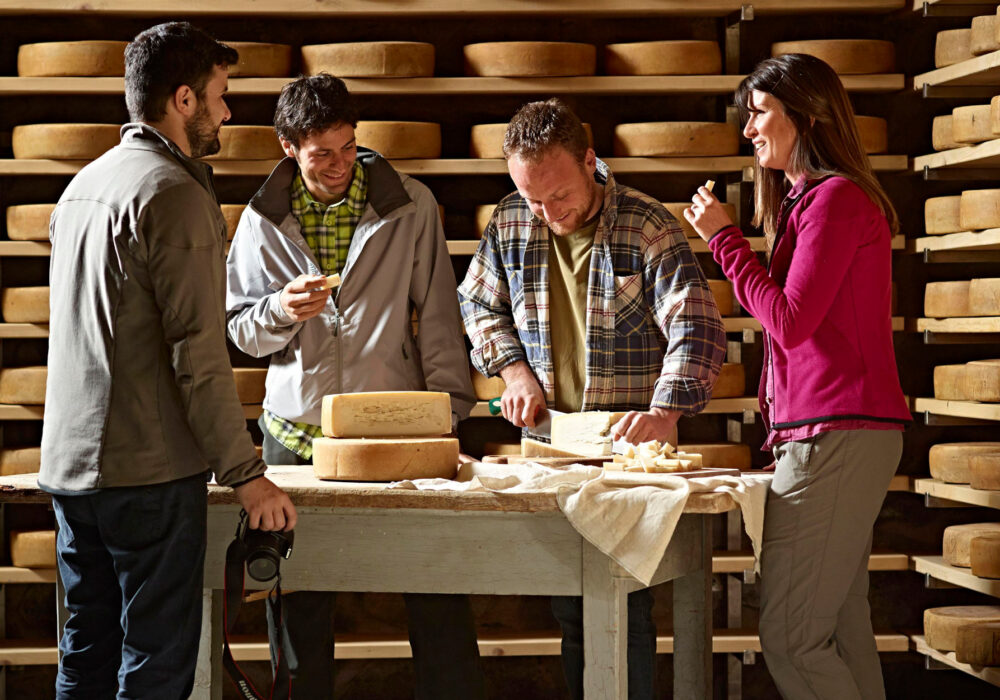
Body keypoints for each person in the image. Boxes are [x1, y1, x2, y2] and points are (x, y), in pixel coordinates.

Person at [38, 22, 297, 700]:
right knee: (155, 665)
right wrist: (247, 476)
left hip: (71, 472)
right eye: (221, 94)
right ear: (183, 99)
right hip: (147, 475)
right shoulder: (175, 193)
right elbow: (199, 352)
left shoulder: (83, 187)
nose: (228, 110)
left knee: (86, 655)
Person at [225, 73, 484, 699]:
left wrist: (449, 411)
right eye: (322, 153)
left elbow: (441, 315)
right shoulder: (261, 221)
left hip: (395, 428)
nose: (340, 164)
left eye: (348, 147)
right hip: (295, 437)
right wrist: (281, 311)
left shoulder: (410, 205)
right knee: (298, 604)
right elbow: (239, 332)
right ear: (289, 147)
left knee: (435, 589)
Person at [458, 98, 726, 699]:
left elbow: (697, 326)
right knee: (570, 608)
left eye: (558, 195)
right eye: (532, 198)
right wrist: (513, 373)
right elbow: (477, 306)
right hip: (553, 452)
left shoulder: (646, 224)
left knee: (626, 609)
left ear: (590, 160)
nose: (548, 212)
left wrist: (666, 412)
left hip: (633, 455)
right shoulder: (509, 222)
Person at [684, 53, 910, 700]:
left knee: (789, 637)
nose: (748, 128)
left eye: (759, 112)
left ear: (804, 114)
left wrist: (726, 241)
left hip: (837, 436)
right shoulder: (813, 201)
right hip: (833, 433)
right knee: (839, 628)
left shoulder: (834, 200)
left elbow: (789, 321)